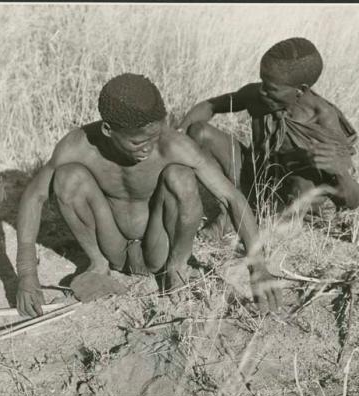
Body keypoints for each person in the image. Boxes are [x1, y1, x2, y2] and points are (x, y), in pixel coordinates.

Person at [15, 73, 281, 318]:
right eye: (138, 143)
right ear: (108, 130)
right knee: (67, 177)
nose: (148, 148)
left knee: (181, 176)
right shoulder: (78, 146)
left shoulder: (172, 146)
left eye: (154, 137)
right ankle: (97, 265)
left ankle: (176, 269)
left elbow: (231, 197)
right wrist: (27, 275)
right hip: (112, 246)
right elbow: (33, 196)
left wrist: (257, 265)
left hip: (160, 248)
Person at [178, 37, 359, 239]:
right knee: (199, 131)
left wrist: (339, 171)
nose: (262, 91)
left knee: (303, 184)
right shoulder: (259, 96)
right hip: (253, 177)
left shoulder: (324, 120)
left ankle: (268, 224)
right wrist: (178, 133)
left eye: (271, 88)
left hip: (291, 195)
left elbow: (353, 201)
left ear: (300, 90)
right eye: (263, 81)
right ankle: (234, 206)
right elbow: (210, 105)